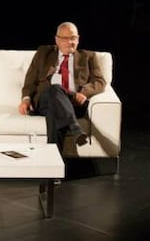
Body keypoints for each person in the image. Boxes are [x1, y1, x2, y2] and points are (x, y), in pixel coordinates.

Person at [18, 21, 106, 153]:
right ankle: (75, 128)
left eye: (73, 38)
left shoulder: (88, 56)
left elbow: (99, 81)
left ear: (78, 39)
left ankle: (53, 165)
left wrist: (84, 93)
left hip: (74, 103)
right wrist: (26, 99)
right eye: (65, 38)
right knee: (55, 89)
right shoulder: (43, 53)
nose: (70, 42)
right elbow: (30, 80)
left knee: (54, 110)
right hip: (45, 99)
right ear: (57, 40)